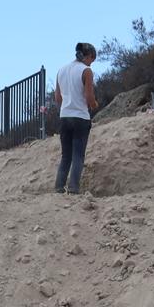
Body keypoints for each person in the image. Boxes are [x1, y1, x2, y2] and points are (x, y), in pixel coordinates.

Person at [54, 43, 98, 194]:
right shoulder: (86, 71)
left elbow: (57, 98)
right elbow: (89, 97)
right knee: (78, 155)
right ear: (89, 56)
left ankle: (59, 187)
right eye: (93, 60)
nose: (92, 63)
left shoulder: (61, 70)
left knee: (66, 155)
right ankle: (73, 188)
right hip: (80, 117)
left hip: (65, 116)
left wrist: (66, 107)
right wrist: (93, 104)